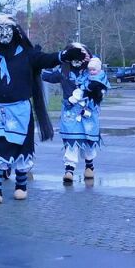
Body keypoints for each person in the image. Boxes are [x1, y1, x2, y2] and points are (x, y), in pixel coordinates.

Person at [0, 14, 87, 204]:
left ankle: (21, 186)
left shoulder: (26, 54)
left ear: (15, 33)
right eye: (0, 31)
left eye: (8, 30)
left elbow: (45, 59)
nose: (4, 35)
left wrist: (63, 56)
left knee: (21, 147)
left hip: (20, 110)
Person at [41, 47, 110, 183]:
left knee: (89, 140)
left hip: (89, 110)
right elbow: (48, 75)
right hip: (70, 111)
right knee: (71, 141)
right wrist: (35, 67)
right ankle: (69, 170)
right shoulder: (63, 70)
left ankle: (89, 166)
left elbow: (101, 86)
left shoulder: (92, 70)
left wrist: (96, 92)